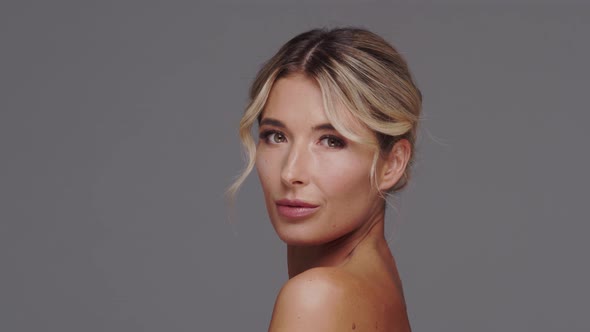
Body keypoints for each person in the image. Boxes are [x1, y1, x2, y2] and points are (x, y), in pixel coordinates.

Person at [227, 27, 422, 331]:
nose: (291, 173)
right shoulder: (377, 277)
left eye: (331, 141)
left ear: (392, 164)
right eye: (276, 136)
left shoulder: (317, 297)